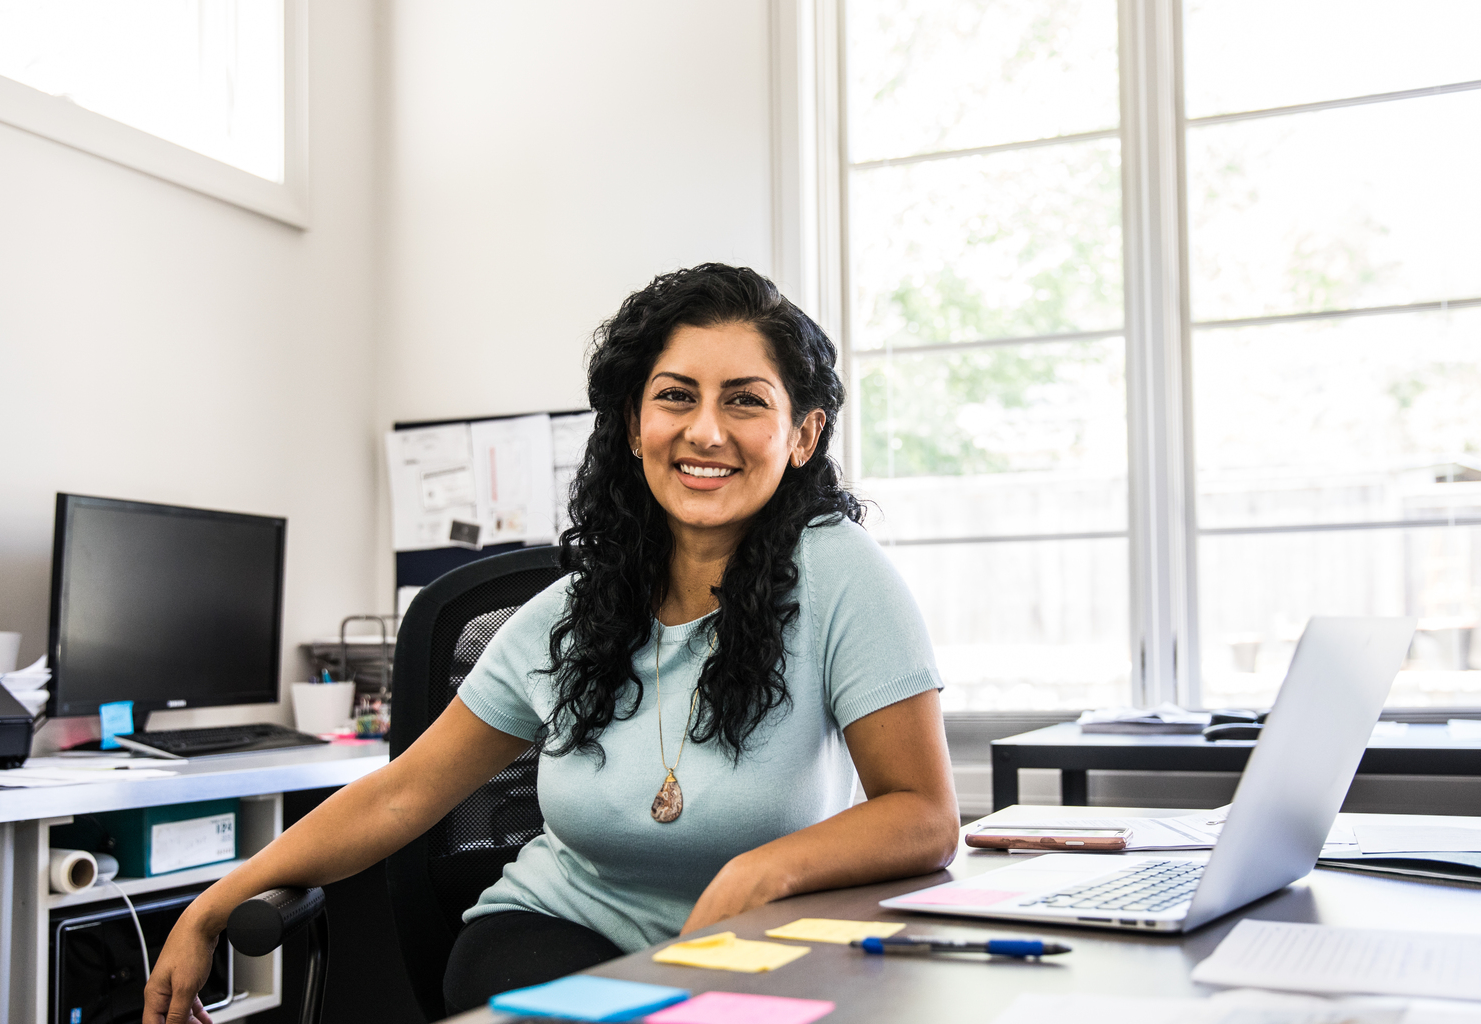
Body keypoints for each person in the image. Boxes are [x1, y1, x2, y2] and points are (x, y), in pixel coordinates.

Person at [144, 264, 958, 1024]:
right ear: (636, 426)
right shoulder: (572, 612)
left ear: (803, 433)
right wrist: (215, 901)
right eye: (676, 396)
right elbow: (402, 795)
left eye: (744, 400)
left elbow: (921, 813)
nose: (706, 431)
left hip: (763, 943)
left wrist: (764, 870)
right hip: (554, 932)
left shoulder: (842, 578)